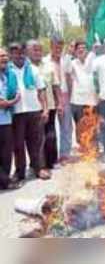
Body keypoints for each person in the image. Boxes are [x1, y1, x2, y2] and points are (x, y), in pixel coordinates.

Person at [9, 43, 51, 182]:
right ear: (11, 55)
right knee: (18, 144)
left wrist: (45, 109)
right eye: (15, 53)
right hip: (16, 113)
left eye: (21, 52)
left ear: (25, 53)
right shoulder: (8, 71)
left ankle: (38, 168)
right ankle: (20, 172)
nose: (19, 55)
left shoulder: (33, 69)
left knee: (36, 142)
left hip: (34, 111)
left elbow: (41, 90)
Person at [27, 40, 62, 171]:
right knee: (34, 138)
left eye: (39, 50)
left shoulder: (49, 66)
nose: (37, 52)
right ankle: (36, 164)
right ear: (28, 51)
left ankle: (52, 161)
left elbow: (56, 86)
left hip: (50, 107)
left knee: (50, 135)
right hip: (32, 109)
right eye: (34, 50)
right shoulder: (25, 67)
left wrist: (60, 104)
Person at [43, 35, 73, 163]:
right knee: (50, 128)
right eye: (56, 47)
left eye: (60, 47)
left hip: (64, 95)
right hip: (50, 97)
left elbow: (69, 79)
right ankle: (49, 156)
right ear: (51, 46)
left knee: (66, 126)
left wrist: (69, 97)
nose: (58, 49)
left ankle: (64, 154)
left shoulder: (66, 60)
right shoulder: (45, 61)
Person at [0, 47, 22, 190]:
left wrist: (10, 102)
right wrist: (11, 101)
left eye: (5, 56)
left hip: (6, 119)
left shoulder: (8, 75)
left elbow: (16, 94)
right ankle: (4, 180)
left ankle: (5, 180)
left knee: (7, 153)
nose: (4, 58)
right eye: (1, 56)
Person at [68, 40, 98, 143]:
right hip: (77, 101)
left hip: (91, 100)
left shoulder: (94, 62)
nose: (81, 50)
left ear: (87, 50)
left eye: (83, 48)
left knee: (92, 126)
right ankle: (83, 150)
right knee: (80, 127)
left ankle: (93, 150)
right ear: (75, 51)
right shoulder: (71, 64)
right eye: (78, 48)